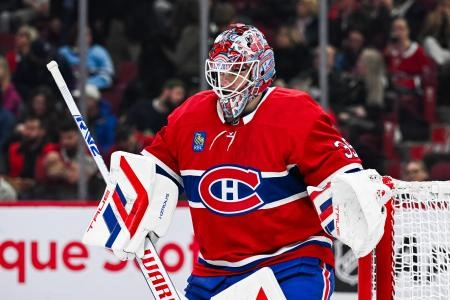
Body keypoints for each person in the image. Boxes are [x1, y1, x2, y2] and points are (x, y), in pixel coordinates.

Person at [106, 24, 390, 299]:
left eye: (238, 71)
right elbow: (152, 175)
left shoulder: (296, 113)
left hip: (290, 266)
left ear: (262, 72)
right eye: (221, 72)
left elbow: (342, 178)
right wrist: (127, 209)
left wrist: (351, 196)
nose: (227, 82)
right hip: (213, 273)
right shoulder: (189, 116)